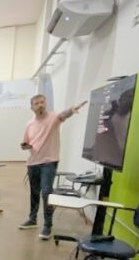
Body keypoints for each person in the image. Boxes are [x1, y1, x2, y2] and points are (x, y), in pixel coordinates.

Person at [20, 95, 88, 239]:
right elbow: (25, 143)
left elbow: (64, 115)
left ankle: (47, 225)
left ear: (45, 104)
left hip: (49, 162)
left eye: (42, 102)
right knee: (34, 193)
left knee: (46, 193)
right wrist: (25, 146)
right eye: (36, 103)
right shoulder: (29, 124)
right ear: (32, 107)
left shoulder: (53, 117)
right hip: (32, 162)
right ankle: (32, 219)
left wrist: (72, 109)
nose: (40, 105)